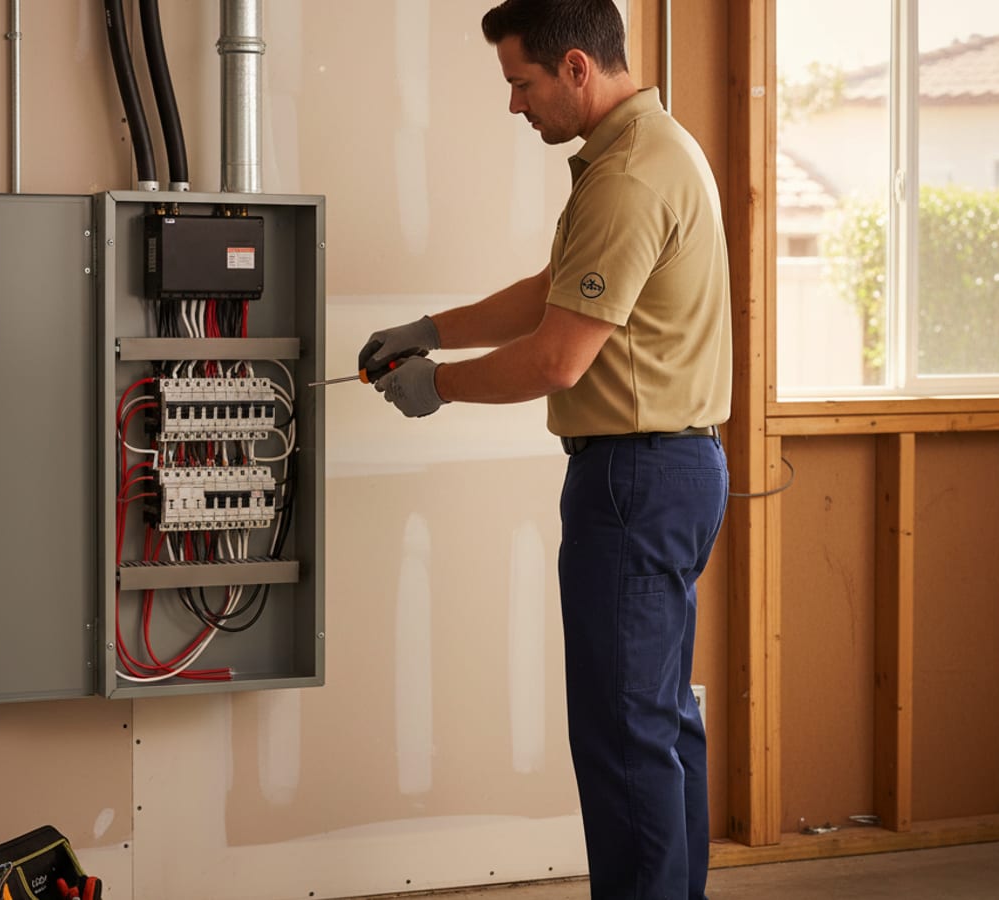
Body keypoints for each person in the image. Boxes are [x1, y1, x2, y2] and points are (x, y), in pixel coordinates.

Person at [358, 1, 732, 897]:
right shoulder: (640, 151)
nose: (515, 105)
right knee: (658, 724)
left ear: (575, 67)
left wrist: (435, 385)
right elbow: (552, 294)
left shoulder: (632, 176)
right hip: (670, 472)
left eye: (521, 83)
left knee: (622, 736)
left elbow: (561, 357)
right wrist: (434, 329)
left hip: (634, 484)